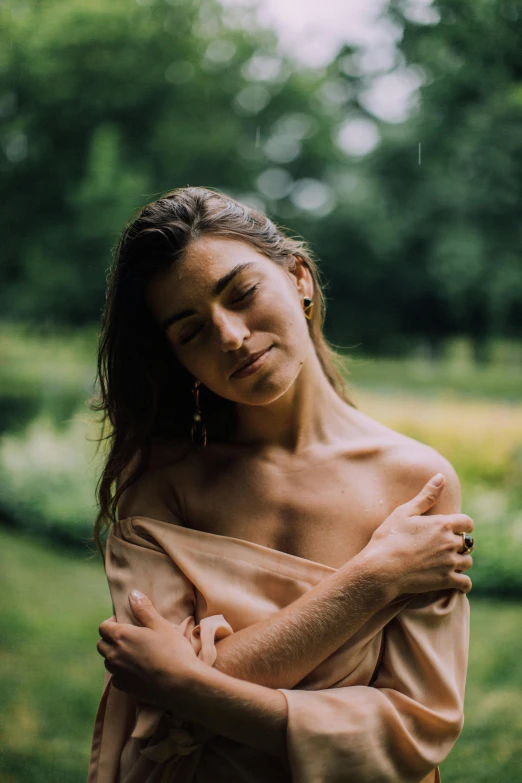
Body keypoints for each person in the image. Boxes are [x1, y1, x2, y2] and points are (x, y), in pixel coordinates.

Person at [88, 186, 475, 783]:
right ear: (176, 358)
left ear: (299, 277)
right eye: (190, 331)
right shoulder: (163, 491)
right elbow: (156, 720)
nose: (231, 336)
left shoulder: (416, 483)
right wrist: (372, 580)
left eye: (241, 294)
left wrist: (188, 683)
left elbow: (413, 729)